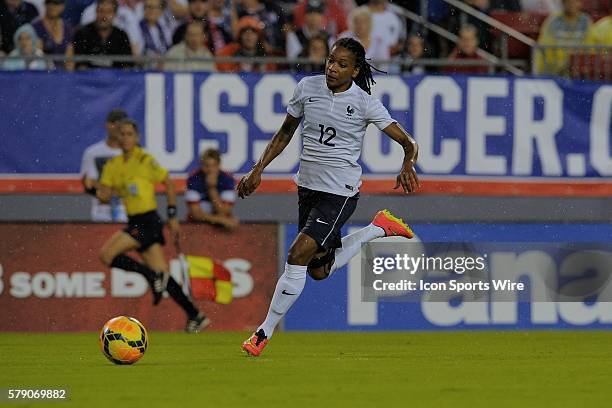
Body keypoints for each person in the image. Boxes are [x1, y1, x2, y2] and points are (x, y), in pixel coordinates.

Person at [238, 37, 420, 356]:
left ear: (356, 70)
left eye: (342, 64)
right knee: (318, 270)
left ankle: (261, 334)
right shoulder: (308, 88)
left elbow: (409, 142)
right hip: (307, 188)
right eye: (331, 60)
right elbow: (285, 132)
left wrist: (408, 163)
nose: (332, 68)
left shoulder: (364, 103)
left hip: (340, 193)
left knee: (296, 255)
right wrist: (258, 169)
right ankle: (378, 228)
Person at [95, 118, 209, 333]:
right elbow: (103, 196)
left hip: (148, 220)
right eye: (122, 134)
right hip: (135, 221)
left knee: (107, 255)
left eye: (130, 134)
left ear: (137, 138)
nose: (126, 138)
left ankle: (149, 275)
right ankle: (195, 315)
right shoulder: (113, 165)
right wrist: (94, 189)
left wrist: (173, 216)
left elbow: (168, 183)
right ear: (117, 138)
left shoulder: (145, 160)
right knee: (163, 274)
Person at [80, 108, 129, 223]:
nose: (116, 126)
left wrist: (108, 189)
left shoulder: (135, 153)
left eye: (121, 123)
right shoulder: (92, 152)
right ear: (106, 125)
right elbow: (88, 183)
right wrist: (108, 192)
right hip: (101, 212)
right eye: (113, 122)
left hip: (129, 211)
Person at [69, 0, 133, 69]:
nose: (104, 16)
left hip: (116, 78)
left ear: (115, 14)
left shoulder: (122, 36)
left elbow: (127, 66)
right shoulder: (82, 33)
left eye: (108, 12)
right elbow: (80, 65)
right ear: (96, 12)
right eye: (101, 11)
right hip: (88, 78)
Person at [185, 148, 238, 230]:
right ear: (201, 165)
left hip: (221, 227)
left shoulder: (227, 180)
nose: (210, 170)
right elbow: (195, 214)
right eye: (206, 166)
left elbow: (224, 212)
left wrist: (212, 189)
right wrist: (219, 220)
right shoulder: (193, 180)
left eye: (214, 166)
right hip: (198, 227)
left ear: (219, 165)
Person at [535, 0, 592, 74]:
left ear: (580, 3)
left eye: (574, 1)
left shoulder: (586, 21)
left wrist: (575, 63)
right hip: (555, 71)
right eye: (567, 2)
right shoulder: (553, 21)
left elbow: (590, 46)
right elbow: (545, 46)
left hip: (578, 72)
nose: (571, 4)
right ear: (562, 3)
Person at [31, 0, 73, 68]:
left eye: (56, 3)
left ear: (63, 6)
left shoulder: (67, 27)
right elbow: (36, 57)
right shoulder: (36, 26)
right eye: (49, 2)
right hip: (43, 72)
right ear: (45, 4)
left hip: (63, 74)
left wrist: (69, 76)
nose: (52, 6)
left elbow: (69, 59)